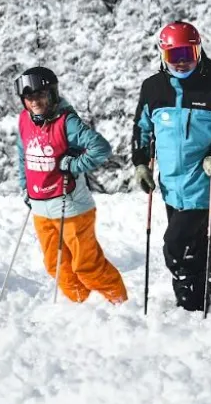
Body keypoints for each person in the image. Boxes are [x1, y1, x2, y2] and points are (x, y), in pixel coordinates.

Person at [132, 21, 211, 313]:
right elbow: (142, 129)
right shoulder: (153, 89)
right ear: (162, 55)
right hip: (171, 185)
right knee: (196, 241)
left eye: (188, 53)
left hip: (205, 182)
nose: (181, 62)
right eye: (173, 55)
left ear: (199, 50)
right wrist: (141, 164)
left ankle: (192, 306)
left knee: (176, 246)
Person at [15, 67, 127, 304]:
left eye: (40, 96)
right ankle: (81, 306)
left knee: (86, 266)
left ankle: (120, 304)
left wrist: (74, 164)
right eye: (29, 97)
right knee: (56, 266)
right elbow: (22, 153)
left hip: (71, 206)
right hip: (40, 208)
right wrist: (25, 186)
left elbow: (101, 148)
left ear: (52, 95)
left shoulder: (67, 122)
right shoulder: (25, 120)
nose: (34, 102)